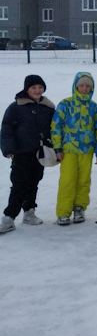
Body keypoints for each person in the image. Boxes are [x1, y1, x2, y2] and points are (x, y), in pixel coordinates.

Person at [0, 75, 56, 233]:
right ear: (27, 89)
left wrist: (55, 146)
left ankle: (29, 212)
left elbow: (55, 129)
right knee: (19, 185)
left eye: (40, 87)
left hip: (40, 153)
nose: (37, 90)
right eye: (33, 88)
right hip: (21, 153)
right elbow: (6, 129)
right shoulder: (16, 107)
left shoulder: (48, 107)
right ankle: (9, 217)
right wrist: (9, 148)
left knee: (34, 183)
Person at [51, 72, 97, 226]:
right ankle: (63, 212)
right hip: (68, 151)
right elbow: (56, 126)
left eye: (88, 86)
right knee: (67, 181)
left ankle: (79, 207)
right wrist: (57, 147)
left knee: (83, 181)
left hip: (86, 151)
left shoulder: (94, 107)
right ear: (76, 86)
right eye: (81, 85)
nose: (84, 88)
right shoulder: (65, 104)